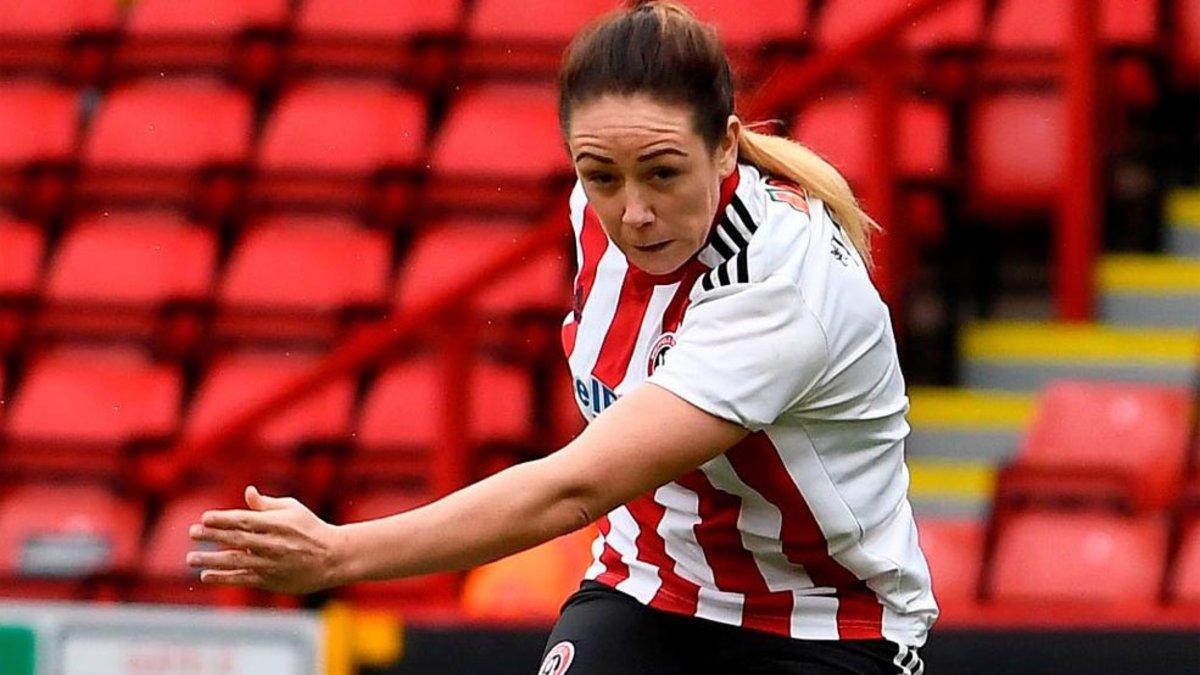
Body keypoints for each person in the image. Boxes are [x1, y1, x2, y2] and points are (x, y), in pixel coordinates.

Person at [186, 3, 937, 673]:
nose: (634, 211)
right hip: (649, 587)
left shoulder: (779, 285)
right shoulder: (597, 210)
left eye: (662, 173)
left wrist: (338, 553)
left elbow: (575, 488)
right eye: (602, 175)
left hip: (826, 625)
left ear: (728, 147)